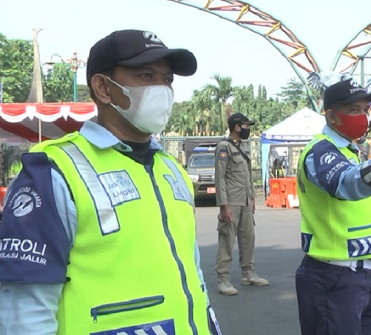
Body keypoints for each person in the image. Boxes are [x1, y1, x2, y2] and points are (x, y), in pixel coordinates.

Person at [0, 29, 222, 334]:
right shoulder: (53, 172)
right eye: (146, 76)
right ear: (103, 88)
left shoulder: (172, 170)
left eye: (167, 79)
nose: (162, 89)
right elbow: (25, 311)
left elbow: (193, 276)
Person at [296, 72, 371, 335]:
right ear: (331, 116)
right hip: (333, 277)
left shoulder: (349, 152)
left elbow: (361, 209)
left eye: (364, 109)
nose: (362, 117)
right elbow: (348, 185)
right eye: (353, 109)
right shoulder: (320, 152)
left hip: (362, 277)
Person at [214, 113, 269, 296]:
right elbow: (220, 178)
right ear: (237, 127)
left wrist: (252, 197)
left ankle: (248, 273)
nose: (248, 129)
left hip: (245, 201)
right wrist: (224, 205)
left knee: (248, 238)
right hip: (231, 201)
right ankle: (223, 279)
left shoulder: (243, 146)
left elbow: (248, 175)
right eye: (246, 126)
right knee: (227, 241)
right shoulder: (224, 147)